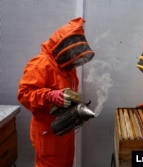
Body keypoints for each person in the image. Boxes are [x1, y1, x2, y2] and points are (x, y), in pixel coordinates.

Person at [17, 17, 95, 167]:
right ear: (63, 47)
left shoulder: (67, 68)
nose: (73, 59)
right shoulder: (40, 64)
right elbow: (24, 94)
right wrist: (49, 95)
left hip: (65, 128)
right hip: (48, 131)